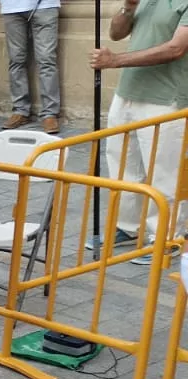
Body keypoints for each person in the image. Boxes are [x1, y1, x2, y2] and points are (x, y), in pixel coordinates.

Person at [90, 0, 188, 265]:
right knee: (122, 165)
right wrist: (128, 7)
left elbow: (176, 48)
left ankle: (166, 239)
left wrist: (115, 61)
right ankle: (127, 226)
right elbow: (116, 33)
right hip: (127, 95)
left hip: (166, 99)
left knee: (163, 172)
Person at [1, 0, 61, 133]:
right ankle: (20, 110)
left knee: (46, 59)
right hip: (11, 7)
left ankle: (50, 113)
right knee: (16, 60)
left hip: (45, 5)